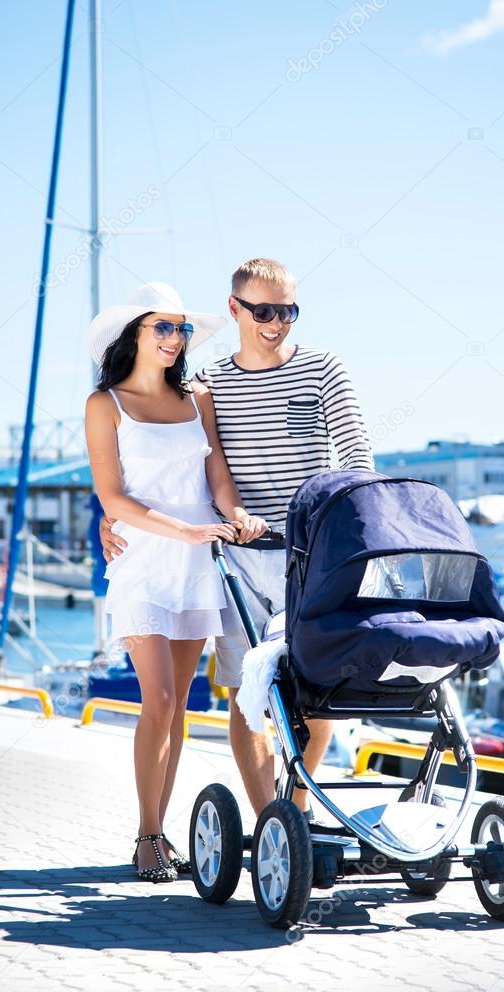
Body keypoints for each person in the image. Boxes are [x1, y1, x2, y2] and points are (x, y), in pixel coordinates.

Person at [102, 259, 374, 820]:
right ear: (236, 309)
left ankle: (294, 812)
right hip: (237, 560)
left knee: (320, 695)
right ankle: (270, 825)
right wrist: (111, 520)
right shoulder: (210, 386)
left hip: (312, 557)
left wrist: (360, 522)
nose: (277, 323)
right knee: (247, 695)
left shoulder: (324, 369)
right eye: (264, 311)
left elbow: (357, 457)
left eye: (289, 312)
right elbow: (172, 468)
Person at [85, 281, 267, 882]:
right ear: (133, 333)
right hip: (142, 563)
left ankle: (161, 837)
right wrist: (184, 532)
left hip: (198, 565)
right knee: (157, 700)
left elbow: (216, 471)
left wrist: (232, 512)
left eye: (181, 328)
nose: (175, 338)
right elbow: (112, 495)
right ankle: (146, 835)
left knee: (179, 706)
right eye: (162, 327)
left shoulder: (197, 397)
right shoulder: (104, 403)